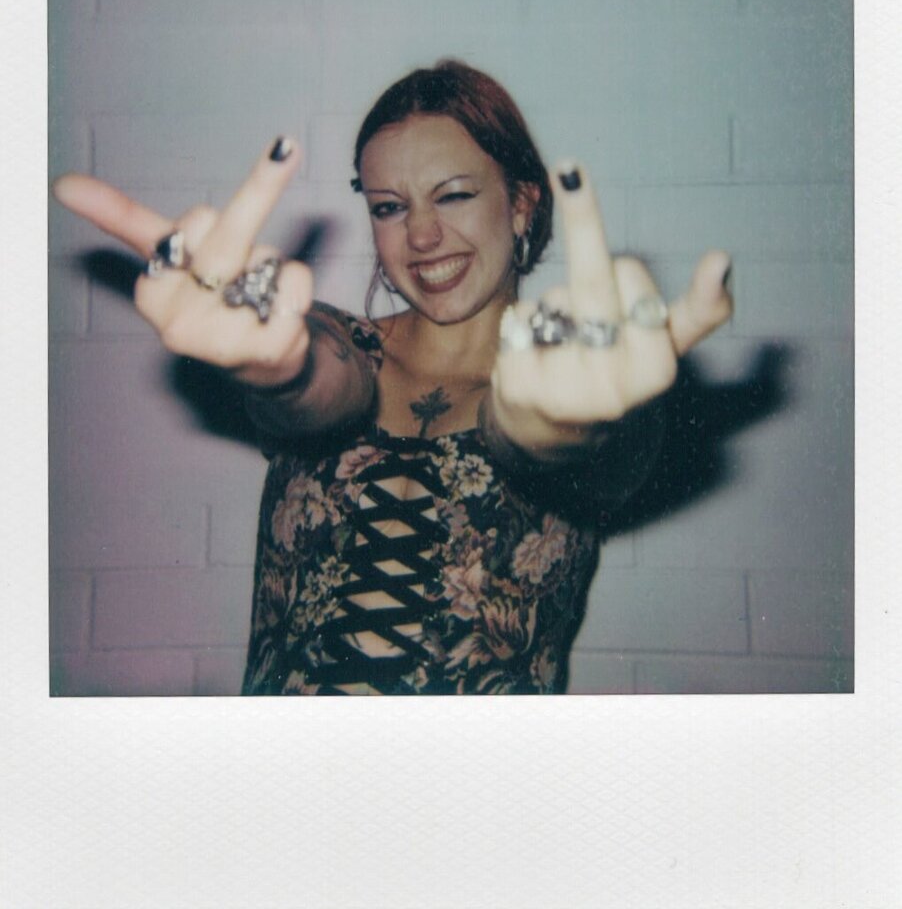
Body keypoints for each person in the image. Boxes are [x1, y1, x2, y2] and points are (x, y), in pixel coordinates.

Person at [53, 60, 733, 695]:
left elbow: (566, 441)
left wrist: (558, 424)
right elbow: (326, 381)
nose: (423, 236)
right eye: (389, 207)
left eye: (454, 195)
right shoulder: (325, 342)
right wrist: (277, 369)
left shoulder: (591, 383)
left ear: (523, 203)